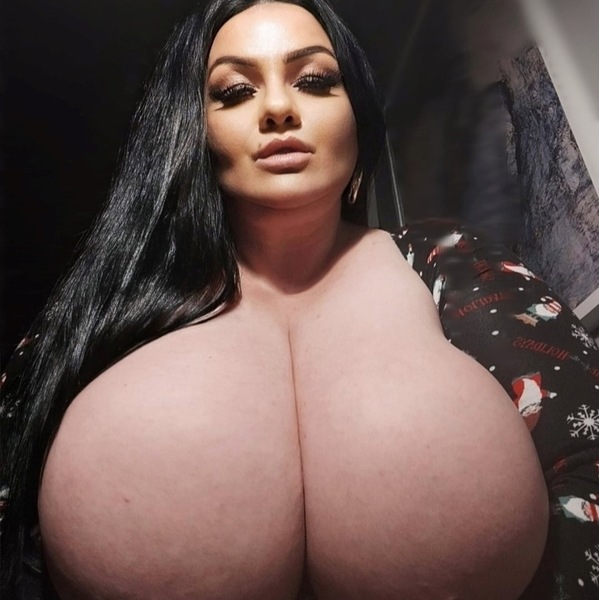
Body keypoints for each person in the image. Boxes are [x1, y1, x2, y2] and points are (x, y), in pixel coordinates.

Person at [1, 0, 551, 598]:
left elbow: (583, 455)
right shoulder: (111, 295)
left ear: (358, 116)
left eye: (313, 81)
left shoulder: (449, 258)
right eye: (235, 92)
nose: (278, 108)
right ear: (191, 130)